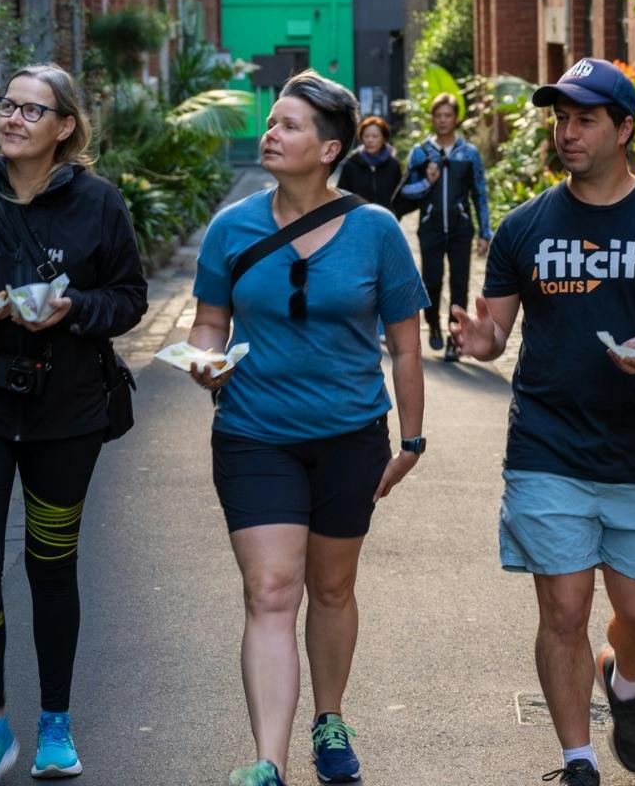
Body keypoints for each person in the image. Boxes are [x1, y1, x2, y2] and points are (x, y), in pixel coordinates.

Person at [452, 58, 635, 786]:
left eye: (584, 120)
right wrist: (478, 342)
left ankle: (624, 680)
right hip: (546, 446)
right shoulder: (524, 227)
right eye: (560, 120)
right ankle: (577, 760)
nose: (566, 134)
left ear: (624, 127)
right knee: (565, 609)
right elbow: (495, 331)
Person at [188, 70, 428, 786]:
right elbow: (209, 322)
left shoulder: (375, 232)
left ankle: (330, 717)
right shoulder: (232, 227)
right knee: (270, 589)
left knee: (330, 589)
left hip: (350, 436)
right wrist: (204, 361)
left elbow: (406, 344)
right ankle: (269, 759)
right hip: (254, 432)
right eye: (271, 122)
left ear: (329, 150)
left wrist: (412, 441)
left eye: (289, 125)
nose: (270, 134)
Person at [0, 64, 148, 786]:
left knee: (51, 563)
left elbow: (129, 299)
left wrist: (75, 311)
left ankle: (54, 723)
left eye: (30, 109)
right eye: (6, 105)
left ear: (64, 128)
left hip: (66, 412)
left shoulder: (99, 206)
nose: (11, 118)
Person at [397, 91, 491, 360]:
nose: (442, 120)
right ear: (432, 119)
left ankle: (455, 338)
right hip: (431, 227)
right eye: (438, 116)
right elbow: (406, 193)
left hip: (461, 228)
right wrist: (428, 181)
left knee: (459, 284)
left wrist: (485, 232)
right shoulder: (421, 152)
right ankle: (435, 326)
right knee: (432, 281)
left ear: (456, 118)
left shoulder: (469, 153)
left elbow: (480, 194)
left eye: (447, 115)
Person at [335, 114, 403, 209]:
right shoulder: (351, 164)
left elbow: (400, 197)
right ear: (361, 138)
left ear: (384, 138)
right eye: (366, 136)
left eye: (375, 136)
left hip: (386, 220)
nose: (370, 140)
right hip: (358, 220)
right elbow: (342, 196)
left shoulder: (393, 165)